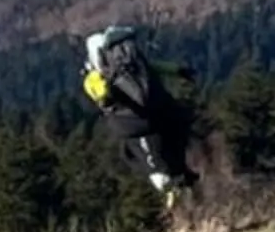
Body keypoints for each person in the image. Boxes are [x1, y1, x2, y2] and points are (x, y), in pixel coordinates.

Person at [82, 25, 197, 209]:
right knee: (171, 153)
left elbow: (98, 90)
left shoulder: (96, 75)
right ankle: (184, 183)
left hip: (136, 126)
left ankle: (174, 199)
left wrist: (104, 96)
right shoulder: (135, 66)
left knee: (157, 173)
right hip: (162, 113)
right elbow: (155, 67)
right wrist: (178, 70)